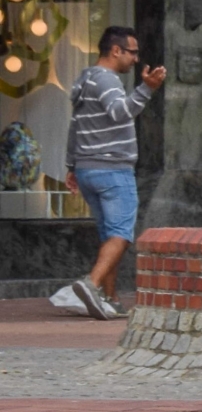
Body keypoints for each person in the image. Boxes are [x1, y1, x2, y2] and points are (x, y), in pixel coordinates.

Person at [61, 26, 165, 319]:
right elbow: (120, 112)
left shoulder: (85, 78)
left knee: (109, 235)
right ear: (115, 50)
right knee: (121, 234)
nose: (136, 58)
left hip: (87, 169)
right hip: (112, 169)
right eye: (132, 52)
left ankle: (111, 298)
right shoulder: (107, 79)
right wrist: (147, 89)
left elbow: (75, 126)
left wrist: (71, 166)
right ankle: (91, 284)